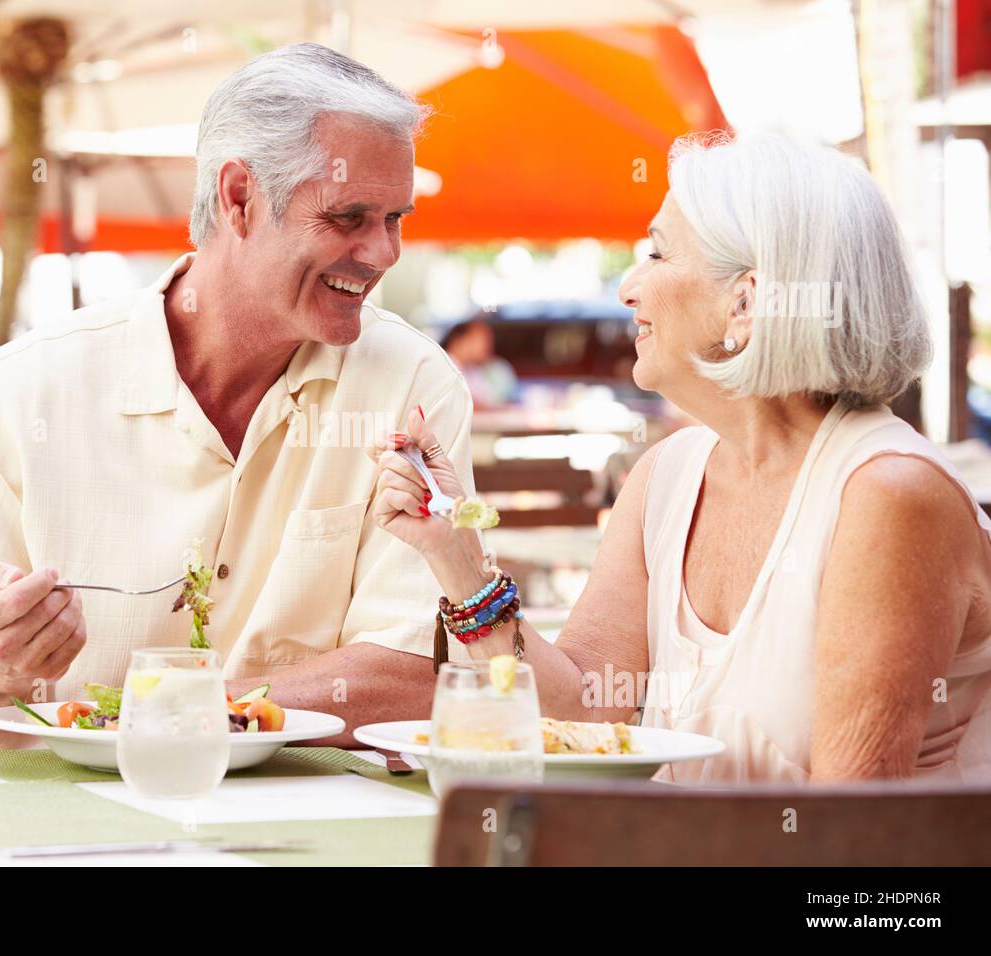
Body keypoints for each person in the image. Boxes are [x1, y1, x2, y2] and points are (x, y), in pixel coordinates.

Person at [0, 43, 474, 748]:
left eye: (395, 219)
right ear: (239, 198)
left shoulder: (410, 384)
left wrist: (161, 716)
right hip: (52, 836)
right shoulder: (16, 397)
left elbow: (406, 679)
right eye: (350, 218)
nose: (384, 253)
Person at [371, 132, 991, 784]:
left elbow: (845, 836)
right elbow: (584, 714)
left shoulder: (889, 498)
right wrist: (457, 556)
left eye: (658, 254)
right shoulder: (668, 476)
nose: (628, 289)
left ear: (745, 303)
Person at [441, 317, 517, 408]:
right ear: (462, 340)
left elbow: (487, 400)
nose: (488, 346)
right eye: (483, 340)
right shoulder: (446, 365)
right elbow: (464, 402)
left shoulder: (471, 368)